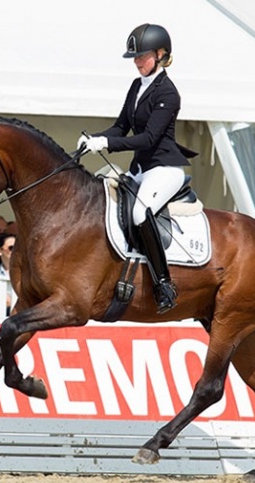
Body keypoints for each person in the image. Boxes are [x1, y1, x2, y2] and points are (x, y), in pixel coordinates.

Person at [77, 23, 197, 314]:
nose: (137, 62)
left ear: (161, 54)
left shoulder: (168, 93)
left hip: (164, 168)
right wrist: (95, 138)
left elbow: (149, 138)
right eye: (135, 57)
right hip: (141, 168)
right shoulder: (137, 86)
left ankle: (163, 284)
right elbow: (121, 126)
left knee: (140, 212)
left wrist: (107, 143)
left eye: (142, 56)